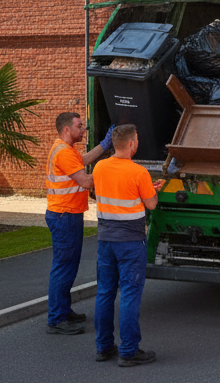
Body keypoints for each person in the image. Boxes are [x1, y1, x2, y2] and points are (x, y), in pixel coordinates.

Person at [91, 124, 165, 366]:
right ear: (132, 144)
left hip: (105, 241)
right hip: (130, 243)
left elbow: (112, 192)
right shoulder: (139, 172)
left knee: (104, 293)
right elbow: (151, 205)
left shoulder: (100, 167)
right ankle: (129, 351)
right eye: (137, 140)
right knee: (130, 295)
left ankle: (103, 347)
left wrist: (143, 192)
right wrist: (153, 193)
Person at [45, 113, 113, 335]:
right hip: (65, 215)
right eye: (79, 126)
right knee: (63, 268)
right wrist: (113, 172)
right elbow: (85, 181)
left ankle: (63, 311)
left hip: (65, 214)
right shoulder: (64, 153)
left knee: (67, 266)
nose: (83, 129)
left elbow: (83, 161)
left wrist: (104, 145)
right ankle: (56, 318)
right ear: (67, 129)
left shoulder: (66, 149)